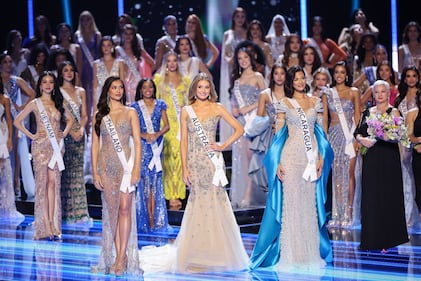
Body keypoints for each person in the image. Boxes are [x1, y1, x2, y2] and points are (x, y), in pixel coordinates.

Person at [139, 73, 248, 273]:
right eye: (200, 88)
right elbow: (184, 142)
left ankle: (218, 252)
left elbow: (239, 129)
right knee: (197, 203)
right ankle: (197, 250)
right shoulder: (186, 111)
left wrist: (222, 145)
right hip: (195, 162)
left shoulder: (218, 107)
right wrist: (185, 168)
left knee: (216, 202)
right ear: (194, 90)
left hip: (212, 162)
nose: (204, 91)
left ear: (211, 89)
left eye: (207, 87)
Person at [250, 65, 333, 270]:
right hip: (291, 158)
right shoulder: (284, 104)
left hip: (311, 159)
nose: (300, 82)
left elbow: (322, 133)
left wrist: (322, 157)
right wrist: (277, 162)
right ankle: (291, 254)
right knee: (292, 206)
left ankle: (309, 253)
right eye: (295, 79)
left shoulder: (316, 101)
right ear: (290, 81)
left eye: (302, 78)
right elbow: (278, 136)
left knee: (309, 205)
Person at [90, 76, 141, 276]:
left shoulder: (131, 112)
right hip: (106, 168)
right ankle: (120, 254)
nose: (118, 90)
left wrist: (136, 169)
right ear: (108, 91)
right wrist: (95, 171)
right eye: (114, 87)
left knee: (125, 209)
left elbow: (137, 143)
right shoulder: (99, 115)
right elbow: (94, 145)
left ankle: (121, 258)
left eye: (121, 87)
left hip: (126, 167)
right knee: (112, 212)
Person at [14, 71, 73, 240]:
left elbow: (70, 120)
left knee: (54, 184)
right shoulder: (35, 103)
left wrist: (64, 133)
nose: (48, 85)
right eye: (44, 82)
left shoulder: (58, 102)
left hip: (55, 148)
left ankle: (53, 223)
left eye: (50, 82)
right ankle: (45, 224)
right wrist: (32, 135)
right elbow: (18, 121)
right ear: (40, 85)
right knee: (43, 184)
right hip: (40, 148)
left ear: (54, 85)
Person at [355, 80, 409, 251]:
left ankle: (389, 239)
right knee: (371, 197)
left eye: (382, 92)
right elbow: (357, 132)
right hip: (371, 158)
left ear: (388, 93)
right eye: (376, 92)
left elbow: (399, 135)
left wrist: (385, 136)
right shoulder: (367, 112)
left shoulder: (394, 112)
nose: (379, 95)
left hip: (388, 159)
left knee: (388, 196)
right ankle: (372, 239)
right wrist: (362, 139)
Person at [131, 78, 170, 232]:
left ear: (154, 89)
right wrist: (144, 134)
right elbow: (131, 128)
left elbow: (167, 126)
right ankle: (145, 218)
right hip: (142, 146)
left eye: (150, 87)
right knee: (144, 183)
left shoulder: (160, 104)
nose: (148, 90)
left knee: (155, 182)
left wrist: (157, 134)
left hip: (156, 147)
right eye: (144, 87)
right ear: (140, 90)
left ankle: (155, 218)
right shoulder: (134, 107)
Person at [229, 46, 266, 208]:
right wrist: (236, 110)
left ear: (251, 58)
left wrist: (249, 108)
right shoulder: (236, 81)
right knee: (243, 159)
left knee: (253, 158)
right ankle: (244, 193)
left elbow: (267, 99)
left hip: (255, 122)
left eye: (245, 57)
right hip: (242, 123)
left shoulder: (258, 76)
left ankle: (249, 194)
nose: (243, 61)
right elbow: (235, 105)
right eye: (240, 58)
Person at [153, 52, 189, 210]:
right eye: (169, 61)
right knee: (168, 160)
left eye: (175, 60)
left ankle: (179, 193)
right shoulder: (158, 80)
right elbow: (153, 103)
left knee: (180, 159)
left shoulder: (186, 81)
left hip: (181, 123)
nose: (172, 63)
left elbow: (189, 103)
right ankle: (169, 195)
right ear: (165, 63)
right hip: (165, 124)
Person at [326, 61, 360, 227]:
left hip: (349, 137)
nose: (339, 75)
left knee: (349, 175)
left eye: (342, 72)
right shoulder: (328, 93)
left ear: (346, 75)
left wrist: (357, 138)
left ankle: (349, 213)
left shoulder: (354, 92)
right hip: (333, 136)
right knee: (336, 175)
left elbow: (359, 118)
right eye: (336, 72)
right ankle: (337, 214)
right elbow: (325, 119)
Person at [57, 61, 91, 224]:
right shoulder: (58, 92)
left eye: (71, 70)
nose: (69, 73)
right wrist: (71, 132)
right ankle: (66, 211)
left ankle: (80, 212)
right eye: (65, 70)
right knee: (67, 173)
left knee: (78, 172)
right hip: (66, 134)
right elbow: (58, 116)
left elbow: (84, 115)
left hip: (80, 134)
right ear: (61, 73)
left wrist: (82, 129)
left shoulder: (81, 91)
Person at [246, 64, 287, 192]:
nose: (279, 77)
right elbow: (259, 119)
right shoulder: (265, 94)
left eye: (282, 73)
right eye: (276, 73)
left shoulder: (291, 93)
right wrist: (271, 122)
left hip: (289, 135)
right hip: (272, 136)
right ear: (272, 76)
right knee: (273, 170)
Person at [1, 53, 36, 199]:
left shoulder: (17, 80)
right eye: (5, 61)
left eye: (10, 61)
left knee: (15, 153)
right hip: (1, 122)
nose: (8, 64)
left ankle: (15, 186)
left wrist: (22, 107)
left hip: (13, 121)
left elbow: (33, 94)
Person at [395, 66, 421, 229]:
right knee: (405, 178)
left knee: (416, 179)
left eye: (414, 76)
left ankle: (415, 216)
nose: (411, 79)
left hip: (416, 142)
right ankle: (406, 215)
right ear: (404, 79)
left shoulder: (420, 96)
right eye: (408, 76)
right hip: (401, 142)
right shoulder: (400, 98)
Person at [219, 7, 248, 144]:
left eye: (242, 16)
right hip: (232, 71)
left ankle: (244, 134)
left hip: (245, 70)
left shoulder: (248, 33)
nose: (240, 19)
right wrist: (233, 62)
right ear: (234, 18)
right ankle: (231, 137)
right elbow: (225, 54)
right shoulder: (227, 34)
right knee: (232, 101)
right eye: (238, 16)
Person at [0, 79, 24, 221]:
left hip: (1, 136)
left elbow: (9, 119)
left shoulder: (5, 99)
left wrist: (9, 139)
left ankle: (6, 205)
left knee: (3, 170)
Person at [73, 10, 102, 128]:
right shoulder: (77, 35)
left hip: (93, 68)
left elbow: (100, 53)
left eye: (88, 19)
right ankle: (85, 124)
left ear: (92, 20)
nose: (85, 22)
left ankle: (95, 121)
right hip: (82, 69)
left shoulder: (97, 35)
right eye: (83, 19)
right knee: (83, 96)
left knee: (94, 94)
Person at [116, 24, 154, 104]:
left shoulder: (139, 50)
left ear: (134, 35)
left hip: (136, 85)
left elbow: (153, 64)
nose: (128, 36)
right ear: (122, 34)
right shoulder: (117, 51)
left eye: (130, 34)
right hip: (122, 84)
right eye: (126, 33)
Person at [93, 36, 124, 110]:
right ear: (101, 47)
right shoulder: (96, 64)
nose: (106, 47)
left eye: (108, 45)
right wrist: (94, 107)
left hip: (116, 98)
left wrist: (122, 102)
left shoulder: (120, 63)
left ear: (113, 46)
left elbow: (122, 83)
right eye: (103, 45)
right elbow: (95, 86)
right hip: (101, 99)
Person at [310, 67, 331, 133]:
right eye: (318, 79)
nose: (320, 82)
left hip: (325, 127)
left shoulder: (330, 96)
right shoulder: (309, 95)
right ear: (314, 80)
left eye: (323, 79)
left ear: (327, 81)